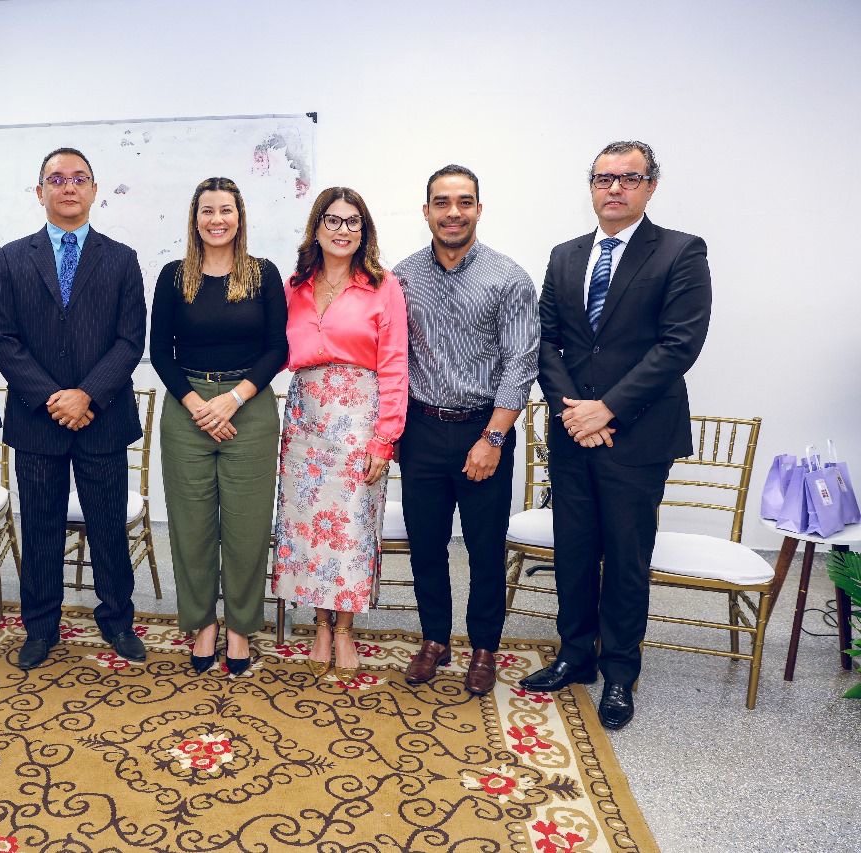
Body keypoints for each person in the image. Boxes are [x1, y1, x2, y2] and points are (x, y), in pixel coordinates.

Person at [521, 140, 711, 730]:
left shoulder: (680, 251)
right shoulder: (565, 254)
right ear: (591, 186)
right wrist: (574, 411)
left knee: (627, 557)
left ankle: (622, 672)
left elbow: (679, 344)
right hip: (573, 430)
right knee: (574, 551)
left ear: (651, 186)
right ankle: (576, 655)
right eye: (603, 178)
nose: (614, 188)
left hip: (637, 434)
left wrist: (607, 410)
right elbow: (546, 339)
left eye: (628, 178)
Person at [0, 147, 147, 671]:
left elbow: (129, 340)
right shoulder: (10, 258)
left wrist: (87, 395)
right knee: (41, 528)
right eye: (56, 179)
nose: (68, 187)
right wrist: (54, 398)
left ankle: (117, 620)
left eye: (79, 178)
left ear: (95, 190)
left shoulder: (121, 258)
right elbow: (2, 338)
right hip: (38, 421)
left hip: (101, 418)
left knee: (107, 528)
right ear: (40, 192)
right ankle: (40, 627)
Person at [393, 165, 539, 696]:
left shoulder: (509, 278)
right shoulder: (402, 277)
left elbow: (520, 365)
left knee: (483, 548)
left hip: (485, 429)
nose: (453, 212)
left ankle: (484, 648)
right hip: (422, 430)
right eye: (441, 202)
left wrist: (494, 438)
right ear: (426, 210)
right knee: (426, 546)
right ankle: (434, 640)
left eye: (464, 202)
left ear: (479, 209)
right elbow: (392, 355)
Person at [149, 177, 288, 676]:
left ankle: (238, 629)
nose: (216, 220)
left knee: (247, 528)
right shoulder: (173, 276)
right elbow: (159, 352)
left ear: (239, 216)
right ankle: (202, 624)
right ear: (195, 218)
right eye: (207, 210)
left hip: (248, 407)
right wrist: (196, 404)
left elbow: (278, 348)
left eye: (225, 210)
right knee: (192, 528)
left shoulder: (262, 274)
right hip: (186, 409)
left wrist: (231, 399)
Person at [271, 186, 408, 684]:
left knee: (350, 527)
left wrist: (384, 439)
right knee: (306, 527)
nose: (342, 229)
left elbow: (394, 364)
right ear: (317, 227)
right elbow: (276, 350)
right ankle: (319, 624)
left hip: (358, 417)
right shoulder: (295, 286)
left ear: (364, 230)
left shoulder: (382, 285)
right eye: (333, 220)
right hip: (306, 416)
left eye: (353, 222)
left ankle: (345, 627)